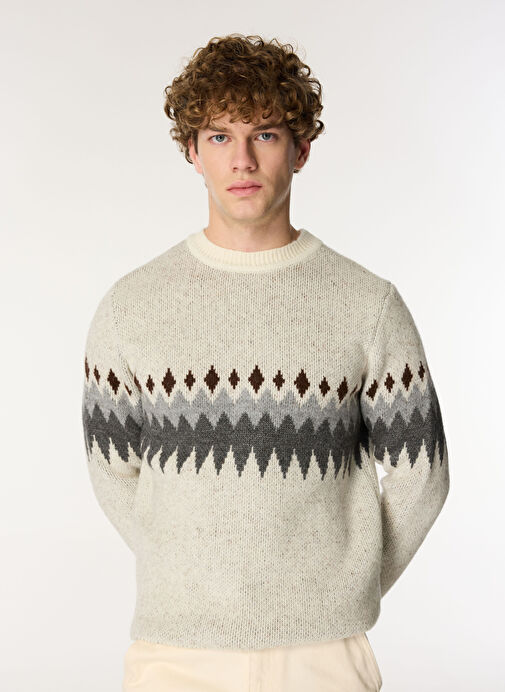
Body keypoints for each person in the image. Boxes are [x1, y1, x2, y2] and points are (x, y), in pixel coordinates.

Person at [81, 33, 450, 691]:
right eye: (220, 136)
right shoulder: (131, 306)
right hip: (177, 654)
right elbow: (113, 469)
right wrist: (193, 576)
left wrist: (346, 585)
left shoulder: (366, 305)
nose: (242, 159)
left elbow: (421, 475)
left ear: (301, 149)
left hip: (323, 656)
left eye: (266, 135)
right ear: (192, 152)